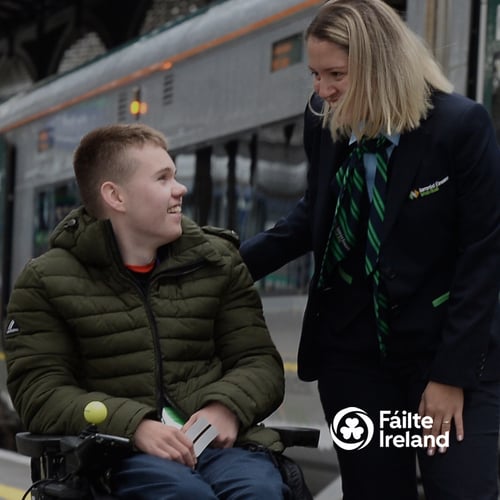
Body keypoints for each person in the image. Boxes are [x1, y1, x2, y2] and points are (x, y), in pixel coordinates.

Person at [240, 1, 500, 499]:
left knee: (461, 490)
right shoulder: (324, 122)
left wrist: (448, 378)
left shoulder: (459, 127)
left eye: (336, 74)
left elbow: (482, 256)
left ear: (382, 66)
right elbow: (312, 216)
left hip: (441, 355)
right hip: (355, 360)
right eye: (315, 74)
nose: (323, 90)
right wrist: (225, 264)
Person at [4, 123, 289, 499]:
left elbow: (258, 361)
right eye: (163, 178)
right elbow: (38, 392)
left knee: (260, 493)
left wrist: (226, 407)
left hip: (219, 448)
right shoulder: (45, 282)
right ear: (115, 196)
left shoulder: (216, 262)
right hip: (116, 455)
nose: (180, 188)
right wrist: (133, 425)